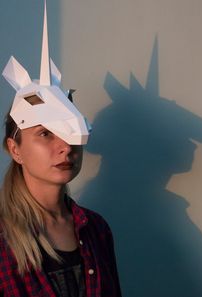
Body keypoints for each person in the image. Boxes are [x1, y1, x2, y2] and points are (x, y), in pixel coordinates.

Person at [0, 2, 122, 297]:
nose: (66, 147)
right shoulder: (3, 238)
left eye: (69, 134)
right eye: (45, 134)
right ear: (15, 149)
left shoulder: (95, 229)